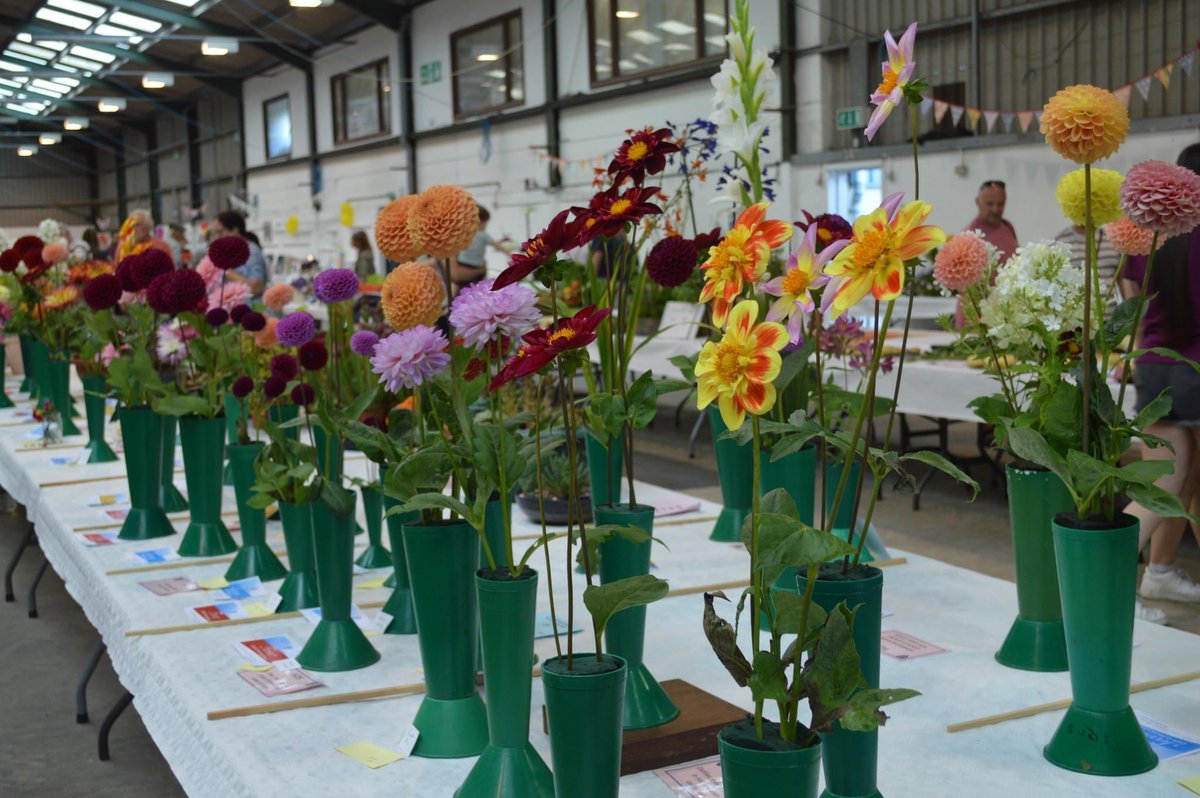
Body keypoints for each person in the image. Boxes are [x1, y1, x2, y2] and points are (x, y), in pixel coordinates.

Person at [1119, 142, 1200, 615]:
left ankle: (1160, 573)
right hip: (1189, 368)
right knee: (1166, 487)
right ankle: (1111, 585)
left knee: (1174, 478)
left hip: (1152, 364)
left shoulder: (1156, 232)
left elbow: (1132, 296)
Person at [1054, 223, 1122, 306]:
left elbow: (1123, 281)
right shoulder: (1060, 242)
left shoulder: (1112, 240)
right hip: (1077, 314)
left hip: (1111, 316)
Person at [210, 210, 268, 299]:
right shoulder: (228, 251)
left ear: (235, 230)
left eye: (220, 232)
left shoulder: (251, 251)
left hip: (249, 309)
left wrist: (226, 271)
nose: (217, 237)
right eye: (215, 233)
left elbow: (256, 287)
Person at [448, 205, 505, 294]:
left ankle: (456, 298)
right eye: (486, 223)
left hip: (462, 263)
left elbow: (457, 246)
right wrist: (508, 252)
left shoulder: (466, 233)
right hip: (476, 265)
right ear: (480, 222)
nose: (486, 226)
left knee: (460, 285)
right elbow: (496, 245)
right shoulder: (483, 235)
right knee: (476, 286)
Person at [963, 180, 1018, 264]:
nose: (995, 210)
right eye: (989, 204)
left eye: (1000, 204)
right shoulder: (968, 235)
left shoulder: (1008, 226)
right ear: (977, 202)